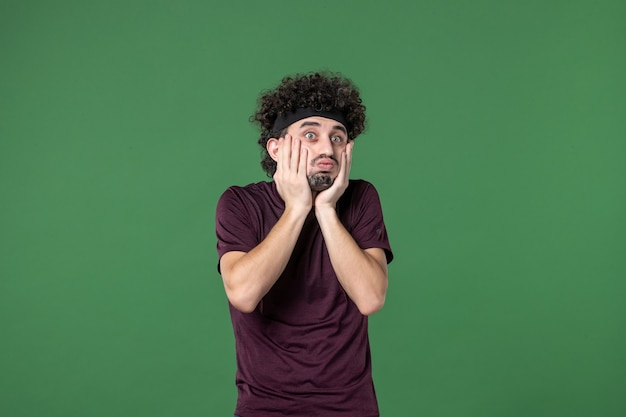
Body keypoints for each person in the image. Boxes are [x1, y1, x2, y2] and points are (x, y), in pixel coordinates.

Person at [215, 72, 393, 417]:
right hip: (264, 407)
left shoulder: (360, 198)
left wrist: (325, 208)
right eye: (310, 135)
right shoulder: (239, 203)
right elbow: (244, 294)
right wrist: (297, 208)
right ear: (276, 148)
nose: (328, 148)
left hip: (350, 407)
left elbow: (371, 297)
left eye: (338, 137)